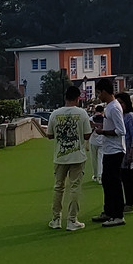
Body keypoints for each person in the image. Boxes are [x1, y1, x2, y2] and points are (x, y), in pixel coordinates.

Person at [46, 83, 92, 230]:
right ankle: (72, 219)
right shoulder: (82, 113)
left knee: (58, 187)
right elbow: (87, 134)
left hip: (60, 156)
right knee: (74, 188)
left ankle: (56, 219)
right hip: (77, 155)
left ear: (65, 97)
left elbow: (49, 135)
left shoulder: (55, 114)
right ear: (77, 98)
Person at [91, 78, 127, 226]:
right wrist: (100, 127)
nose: (98, 96)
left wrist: (103, 132)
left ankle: (118, 215)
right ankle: (109, 211)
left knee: (114, 183)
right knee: (107, 182)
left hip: (115, 150)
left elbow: (121, 130)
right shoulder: (110, 107)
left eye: (99, 93)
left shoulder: (114, 108)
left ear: (105, 92)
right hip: (109, 150)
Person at [119, 91, 133, 214]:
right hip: (121, 151)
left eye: (121, 103)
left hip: (129, 152)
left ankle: (130, 203)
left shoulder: (130, 117)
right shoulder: (120, 116)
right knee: (123, 179)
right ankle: (125, 202)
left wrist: (132, 153)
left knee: (128, 180)